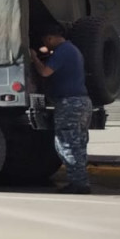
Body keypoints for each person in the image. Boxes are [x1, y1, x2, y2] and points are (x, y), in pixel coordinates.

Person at [29, 24, 92, 194]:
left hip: (69, 103)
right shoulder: (72, 50)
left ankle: (78, 184)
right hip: (82, 102)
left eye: (45, 41)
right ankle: (81, 181)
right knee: (78, 143)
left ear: (50, 38)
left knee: (67, 143)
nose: (46, 45)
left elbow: (45, 72)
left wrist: (34, 58)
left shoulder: (62, 52)